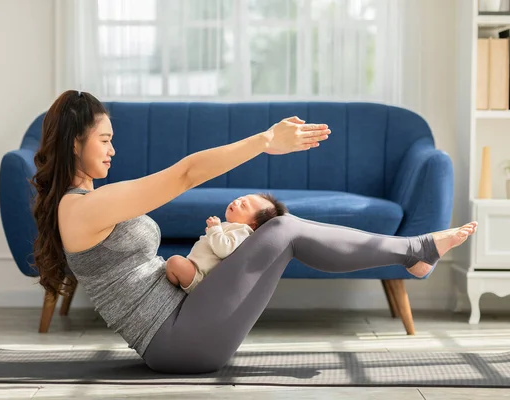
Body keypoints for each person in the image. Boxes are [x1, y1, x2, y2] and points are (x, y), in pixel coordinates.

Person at [30, 90, 478, 374]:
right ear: (75, 142)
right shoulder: (82, 209)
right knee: (282, 229)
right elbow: (185, 173)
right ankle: (414, 251)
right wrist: (264, 141)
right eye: (104, 139)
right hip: (178, 340)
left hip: (187, 319)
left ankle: (413, 253)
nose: (113, 148)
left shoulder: (85, 204)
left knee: (286, 230)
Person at [165, 193, 289, 293]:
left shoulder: (242, 231)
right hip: (195, 270)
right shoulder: (232, 227)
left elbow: (224, 249)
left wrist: (214, 230)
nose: (236, 202)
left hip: (201, 280)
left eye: (243, 205)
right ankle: (172, 284)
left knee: (174, 262)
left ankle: (172, 292)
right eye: (239, 199)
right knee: (172, 264)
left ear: (252, 224)